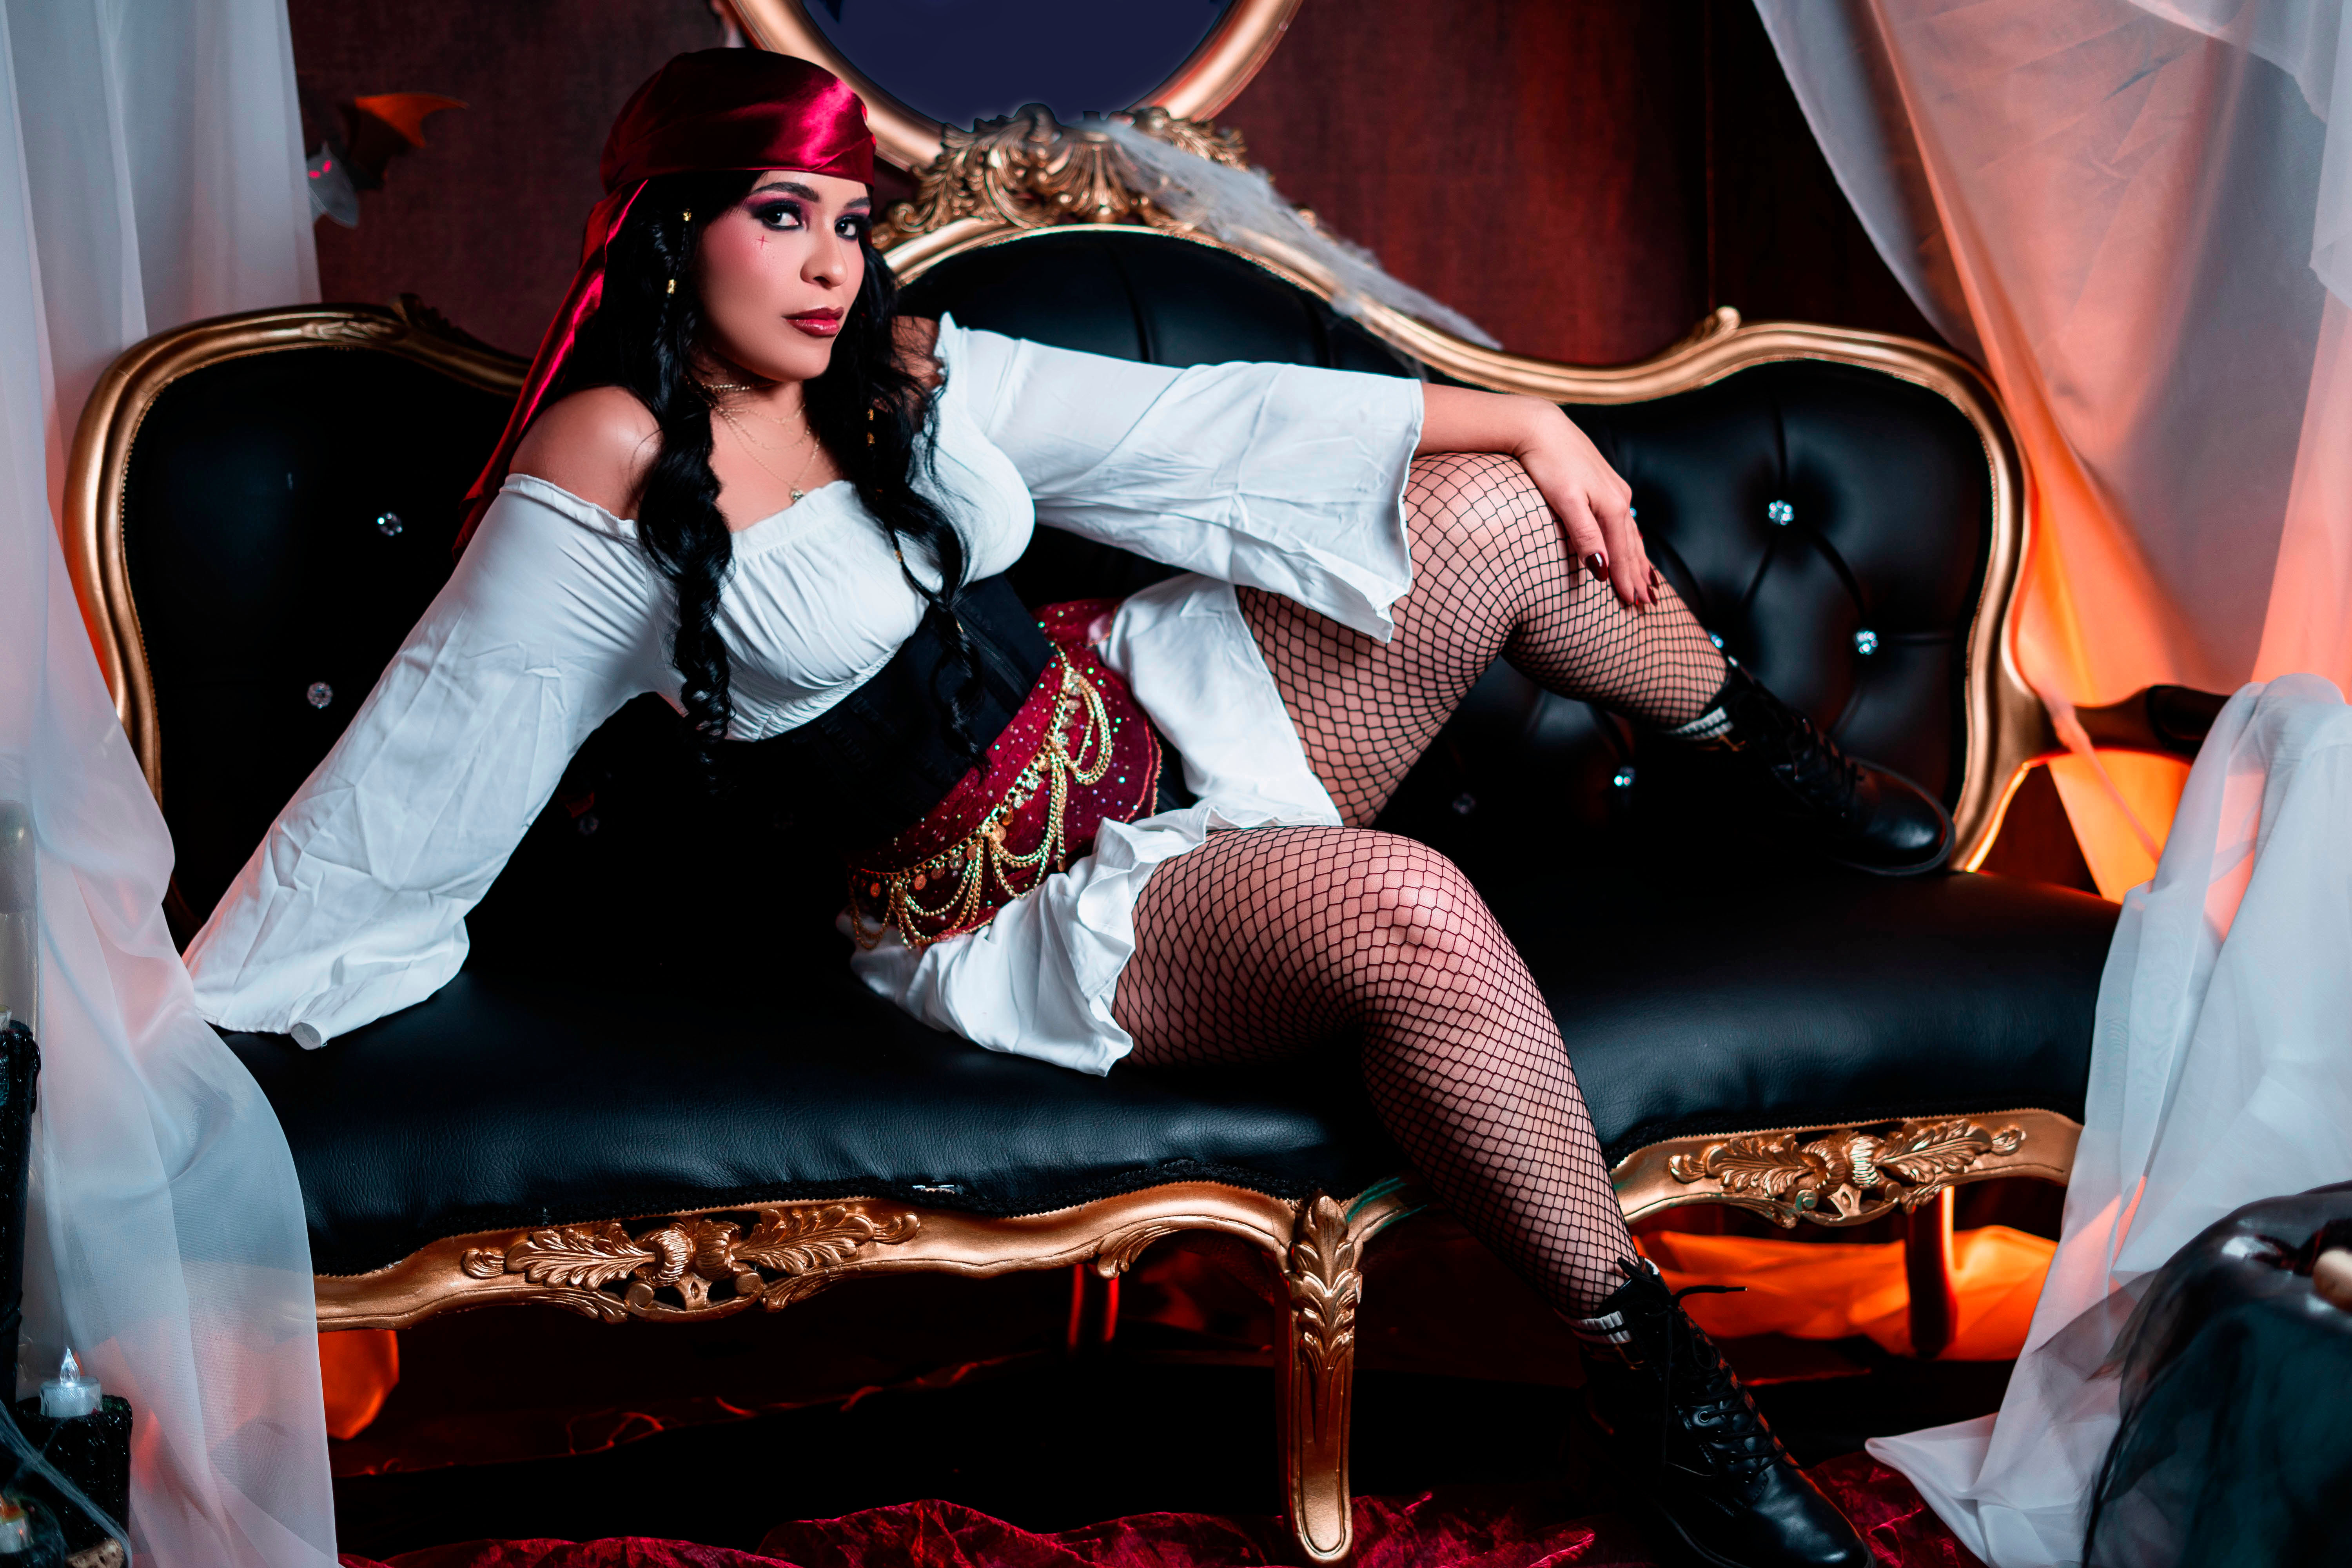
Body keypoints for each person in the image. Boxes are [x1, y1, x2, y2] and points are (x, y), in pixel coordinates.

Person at [185, 51, 1951, 1568]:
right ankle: (1661, 1399)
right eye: (781, 216)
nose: (830, 261)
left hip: (1165, 723)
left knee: (1494, 505)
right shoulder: (612, 461)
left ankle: (1759, 757)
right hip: (1017, 913)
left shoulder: (897, 363)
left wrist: (1529, 420)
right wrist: (203, 1025)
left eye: (850, 219)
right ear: (668, 226)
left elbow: (1202, 428)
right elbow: (441, 740)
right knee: (1410, 904)